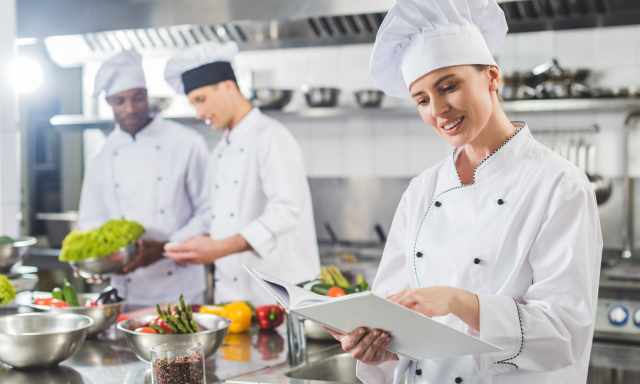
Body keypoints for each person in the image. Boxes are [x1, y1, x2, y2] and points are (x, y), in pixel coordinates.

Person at [325, 1, 603, 383]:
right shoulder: (423, 189)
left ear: (491, 76)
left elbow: (564, 333)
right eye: (422, 99)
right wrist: (373, 344)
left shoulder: (559, 184)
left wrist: (457, 301)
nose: (438, 110)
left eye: (449, 86)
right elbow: (391, 309)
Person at [163, 41, 320, 305]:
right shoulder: (220, 153)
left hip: (279, 297)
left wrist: (218, 248)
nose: (199, 113)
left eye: (201, 100)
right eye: (193, 104)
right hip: (233, 298)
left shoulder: (270, 136)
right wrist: (172, 246)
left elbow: (285, 211)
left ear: (227, 86)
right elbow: (215, 217)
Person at [78, 49, 209, 306]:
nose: (130, 108)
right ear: (108, 103)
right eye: (119, 101)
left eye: (137, 98)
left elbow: (209, 212)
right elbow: (91, 221)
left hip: (180, 288)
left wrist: (167, 247)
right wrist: (92, 260)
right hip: (125, 291)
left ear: (148, 95)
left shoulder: (187, 143)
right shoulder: (102, 157)